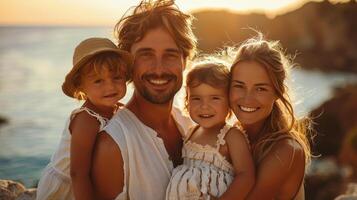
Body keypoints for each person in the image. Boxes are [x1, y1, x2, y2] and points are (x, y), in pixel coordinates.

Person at [90, 0, 197, 199]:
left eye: (170, 55)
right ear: (127, 65)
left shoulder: (189, 126)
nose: (158, 69)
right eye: (146, 55)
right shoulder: (114, 145)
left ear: (185, 61)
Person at [36, 37, 132, 200]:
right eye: (98, 81)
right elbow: (78, 173)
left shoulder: (118, 110)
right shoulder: (86, 120)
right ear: (81, 85)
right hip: (69, 188)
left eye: (116, 77)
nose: (110, 86)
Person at [229, 34, 312, 200]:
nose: (247, 98)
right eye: (239, 86)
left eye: (260, 89)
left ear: (277, 93)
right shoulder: (231, 138)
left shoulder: (286, 151)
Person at [166, 59, 255, 200]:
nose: (204, 106)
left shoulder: (231, 136)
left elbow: (246, 176)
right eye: (196, 99)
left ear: (229, 101)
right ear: (187, 101)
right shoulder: (190, 132)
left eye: (214, 98)